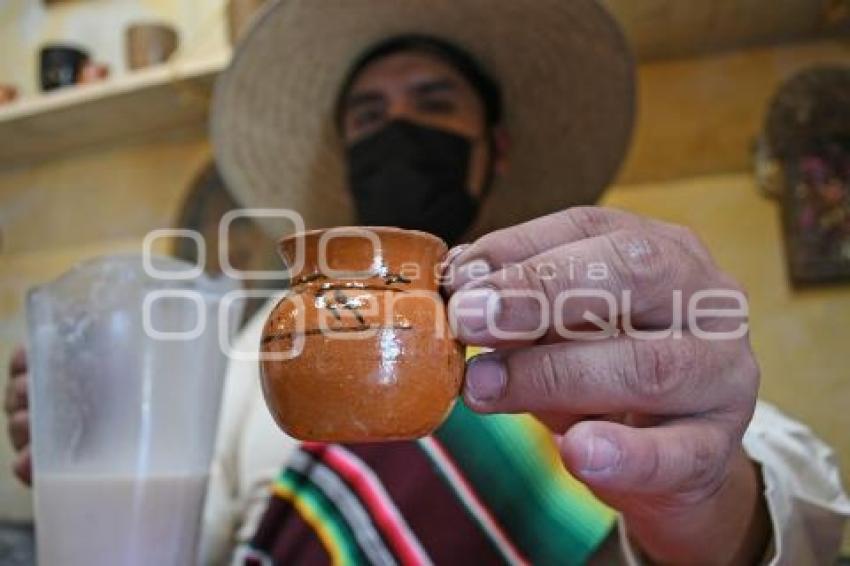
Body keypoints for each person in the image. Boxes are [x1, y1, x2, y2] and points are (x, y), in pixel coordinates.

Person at [6, 1, 850, 564]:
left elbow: (803, 504)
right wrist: (110, 453)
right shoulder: (248, 353)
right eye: (369, 118)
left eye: (433, 102)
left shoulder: (616, 335)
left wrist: (702, 496)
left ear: (498, 147)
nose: (397, 129)